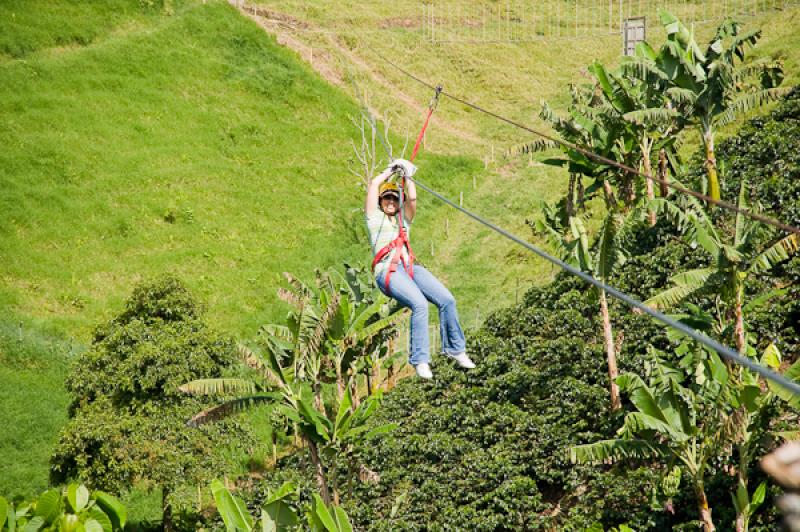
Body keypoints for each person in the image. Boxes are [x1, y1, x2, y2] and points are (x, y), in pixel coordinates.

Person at [365, 158, 475, 379]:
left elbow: (412, 198)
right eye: (386, 198)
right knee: (420, 304)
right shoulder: (374, 220)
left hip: (409, 268)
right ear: (380, 201)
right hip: (389, 271)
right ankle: (420, 360)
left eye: (394, 199)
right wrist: (390, 171)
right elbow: (373, 186)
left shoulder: (403, 220)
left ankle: (455, 349)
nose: (390, 202)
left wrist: (407, 177)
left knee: (447, 300)